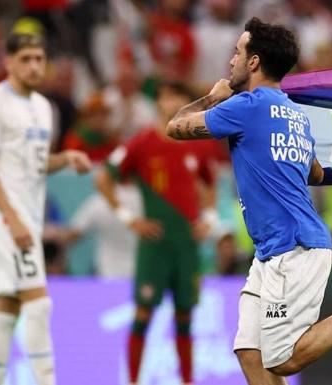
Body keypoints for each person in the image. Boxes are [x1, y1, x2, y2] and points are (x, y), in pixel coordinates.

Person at [165, 17, 332, 384]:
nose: (231, 62)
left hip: (294, 247)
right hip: (272, 249)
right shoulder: (295, 116)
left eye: (237, 52)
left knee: (284, 360)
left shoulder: (246, 107)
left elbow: (174, 126)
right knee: (249, 352)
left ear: (254, 62)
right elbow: (315, 173)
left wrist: (213, 96)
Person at [0, 33, 92, 385]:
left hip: (25, 217)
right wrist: (11, 219)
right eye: (26, 58)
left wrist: (67, 158)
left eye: (39, 58)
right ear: (8, 62)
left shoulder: (44, 107)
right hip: (2, 219)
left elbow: (36, 164)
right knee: (38, 304)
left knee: (7, 306)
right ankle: (46, 380)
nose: (34, 65)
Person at [95, 81, 219, 385]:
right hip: (155, 246)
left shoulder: (198, 143)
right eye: (168, 96)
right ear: (159, 102)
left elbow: (211, 182)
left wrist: (209, 218)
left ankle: (187, 380)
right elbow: (103, 179)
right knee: (143, 316)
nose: (173, 102)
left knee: (185, 318)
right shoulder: (142, 143)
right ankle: (134, 381)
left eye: (180, 96)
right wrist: (129, 218)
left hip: (187, 245)